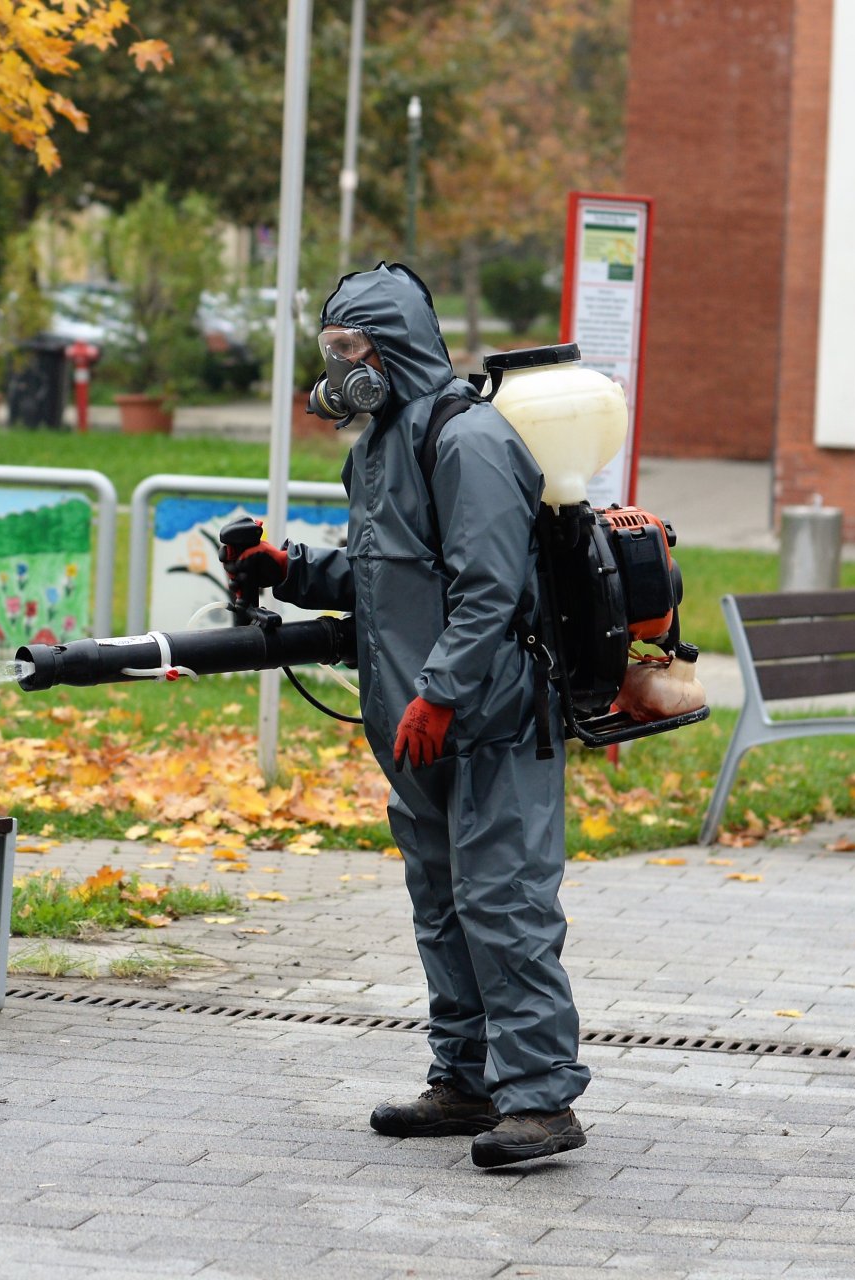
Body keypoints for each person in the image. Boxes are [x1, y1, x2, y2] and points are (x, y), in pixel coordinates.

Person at [224, 263, 589, 1169]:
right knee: (442, 905)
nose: (337, 367)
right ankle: (464, 1081)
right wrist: (290, 569)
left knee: (503, 902)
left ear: (391, 349)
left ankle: (541, 1101)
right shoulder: (380, 443)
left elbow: (489, 590)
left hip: (492, 717)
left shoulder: (467, 443)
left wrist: (442, 692)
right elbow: (383, 576)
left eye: (348, 349)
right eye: (330, 350)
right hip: (413, 720)